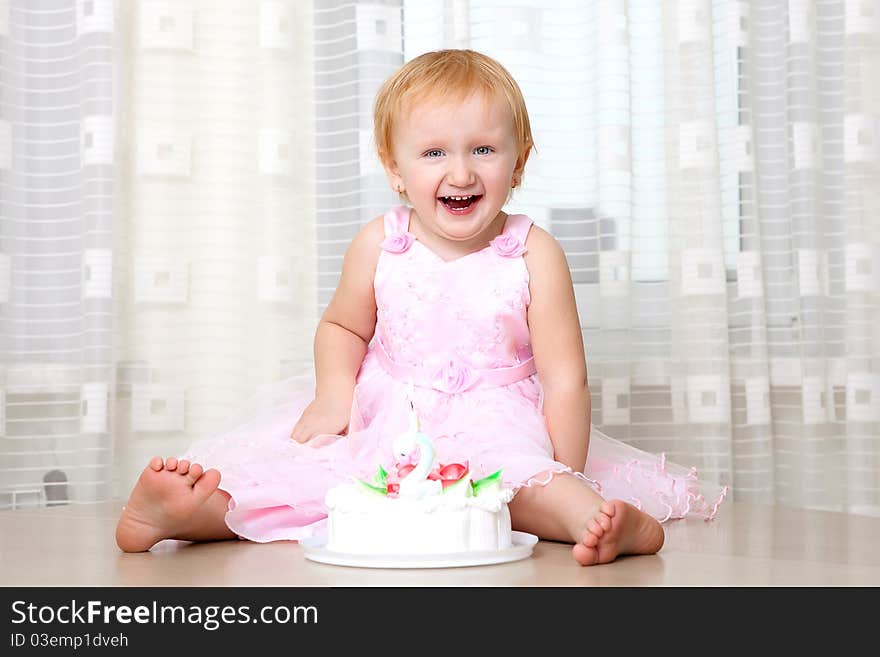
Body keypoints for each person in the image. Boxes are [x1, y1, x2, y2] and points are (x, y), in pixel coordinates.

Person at [116, 49, 727, 564]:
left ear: (520, 161)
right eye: (434, 152)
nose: (460, 171)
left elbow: (566, 378)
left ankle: (609, 522)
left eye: (484, 149)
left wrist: (564, 467)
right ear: (395, 169)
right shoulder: (381, 243)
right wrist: (336, 394)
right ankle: (182, 514)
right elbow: (341, 326)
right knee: (316, 487)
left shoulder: (534, 252)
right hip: (389, 417)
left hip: (498, 424)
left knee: (520, 490)